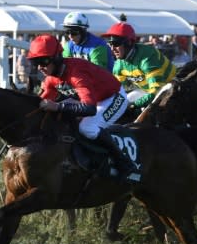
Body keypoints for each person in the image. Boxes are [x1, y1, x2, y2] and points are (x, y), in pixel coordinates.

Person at [27, 34, 139, 183]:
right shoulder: (51, 78)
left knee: (87, 128)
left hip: (113, 97)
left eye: (44, 61)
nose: (40, 67)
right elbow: (42, 103)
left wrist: (58, 106)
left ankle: (125, 164)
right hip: (92, 98)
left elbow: (89, 109)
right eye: (36, 63)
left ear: (57, 58)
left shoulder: (76, 74)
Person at [101, 19, 177, 111]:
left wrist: (134, 105)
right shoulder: (118, 66)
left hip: (171, 89)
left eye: (116, 43)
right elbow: (118, 93)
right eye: (110, 44)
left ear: (129, 43)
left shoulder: (147, 58)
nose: (112, 48)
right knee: (120, 104)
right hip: (147, 90)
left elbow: (156, 92)